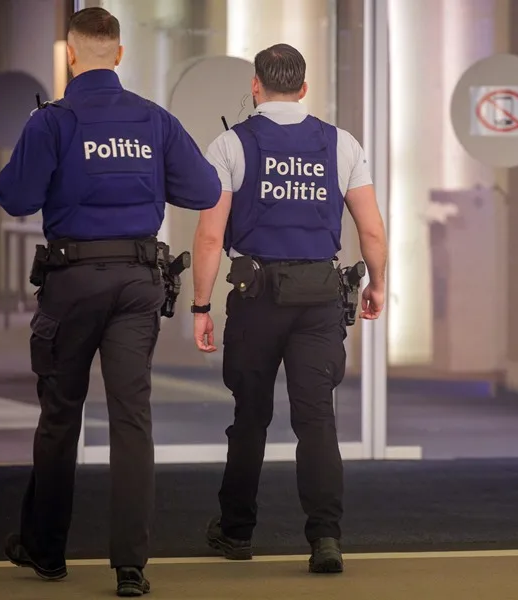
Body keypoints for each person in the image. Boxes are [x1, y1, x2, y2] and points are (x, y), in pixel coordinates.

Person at [0, 7, 221, 597]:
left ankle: (46, 553)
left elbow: (14, 198)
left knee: (61, 414)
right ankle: (130, 568)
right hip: (137, 280)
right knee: (131, 419)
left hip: (72, 282)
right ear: (118, 54)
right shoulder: (154, 120)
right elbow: (203, 188)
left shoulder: (53, 122)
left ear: (72, 55)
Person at [192, 43, 387, 574]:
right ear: (304, 88)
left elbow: (210, 237)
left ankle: (236, 533)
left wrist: (201, 305)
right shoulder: (341, 143)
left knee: (250, 418)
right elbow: (370, 228)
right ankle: (325, 539)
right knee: (316, 418)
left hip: (255, 299)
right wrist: (378, 285)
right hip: (321, 298)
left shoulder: (231, 144)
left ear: (256, 86)